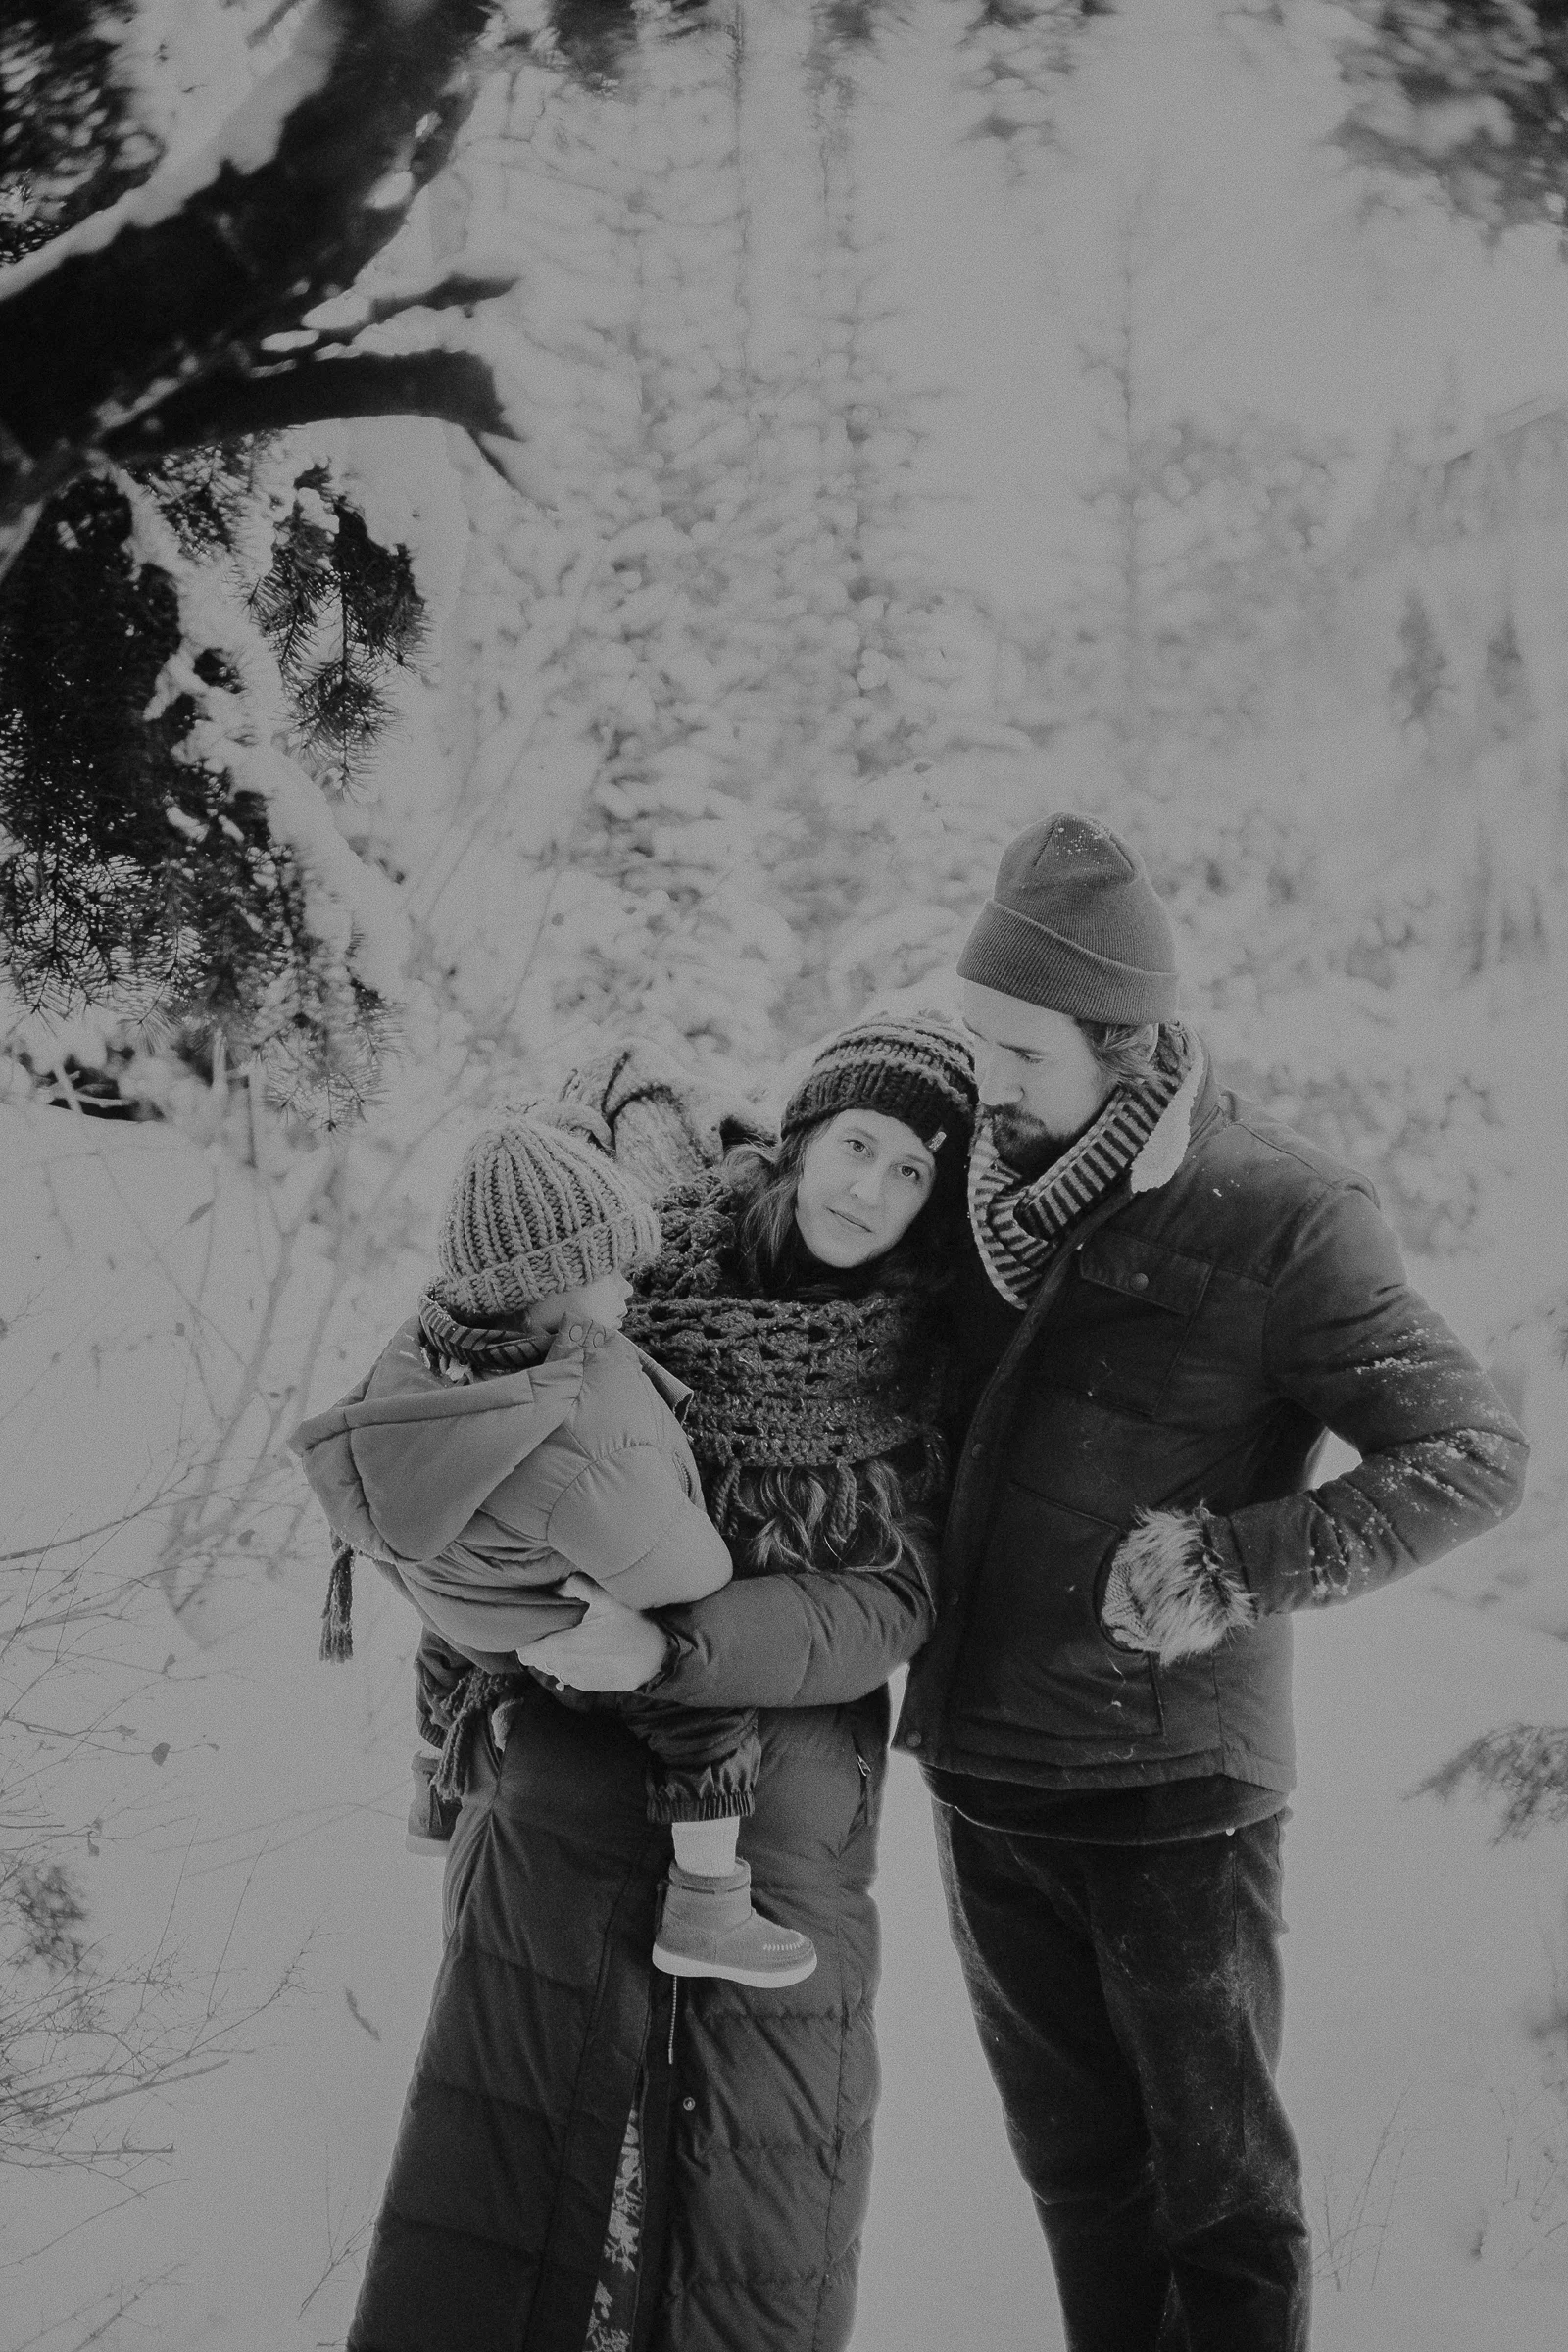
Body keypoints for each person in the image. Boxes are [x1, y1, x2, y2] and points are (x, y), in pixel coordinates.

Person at [895, 812, 1529, 2352]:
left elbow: (1471, 1451)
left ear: (1123, 1043)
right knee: (1077, 2183)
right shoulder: (975, 1190)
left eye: (1018, 1050)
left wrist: (1233, 1562)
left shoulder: (1284, 1214)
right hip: (987, 1780)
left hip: (1173, 1794)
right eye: (973, 1038)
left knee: (1220, 2204)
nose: (984, 1080)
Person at [343, 1011, 978, 2352]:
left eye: (913, 1170)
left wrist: (675, 1647)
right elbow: (452, 1450)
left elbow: (895, 1599)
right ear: (802, 1136)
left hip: (786, 1833)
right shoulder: (626, 1270)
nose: (872, 1187)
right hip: (560, 1806)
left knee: (747, 2247)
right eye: (858, 1143)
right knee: (503, 2214)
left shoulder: (930, 1362)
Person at [290, 1104, 817, 1986]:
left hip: (466, 1603)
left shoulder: (429, 1352)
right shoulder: (574, 1434)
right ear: (549, 1284)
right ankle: (707, 1903)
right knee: (705, 1698)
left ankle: (435, 1785)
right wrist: (713, 1566)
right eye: (613, 1271)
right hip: (560, 1622)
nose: (630, 1290)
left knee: (450, 1640)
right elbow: (679, 1568)